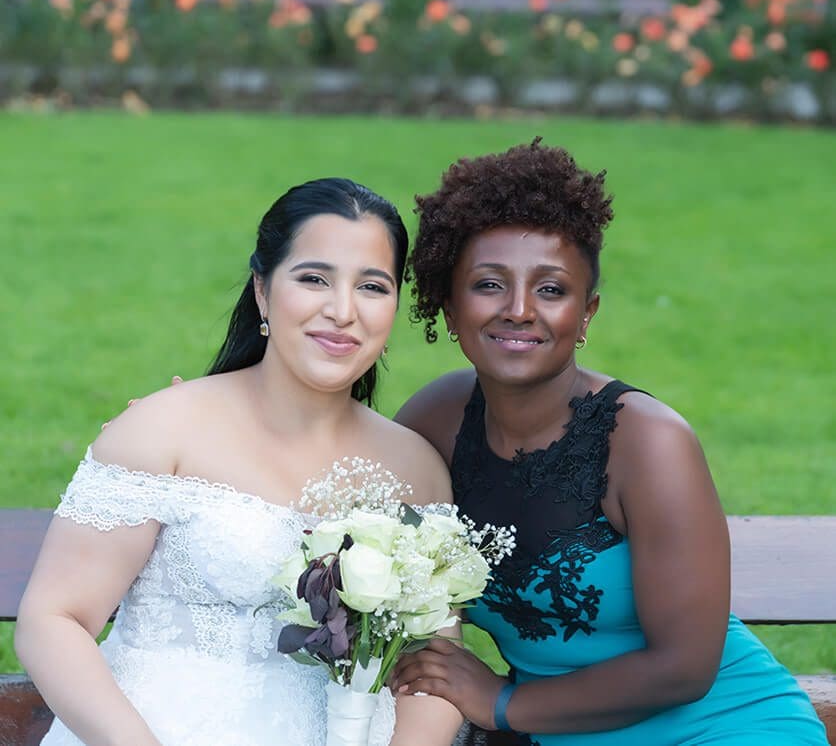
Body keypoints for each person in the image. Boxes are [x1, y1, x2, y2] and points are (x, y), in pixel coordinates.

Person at [391, 140, 828, 746]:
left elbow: (685, 668)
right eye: (489, 284)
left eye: (551, 290)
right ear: (448, 300)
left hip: (724, 729)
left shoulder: (648, 443)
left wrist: (502, 702)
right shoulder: (435, 423)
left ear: (587, 312)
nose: (520, 310)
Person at [15, 178, 464, 746]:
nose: (342, 311)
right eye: (314, 279)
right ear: (262, 289)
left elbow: (434, 666)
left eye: (372, 286)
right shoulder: (164, 430)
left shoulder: (415, 469)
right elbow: (53, 621)